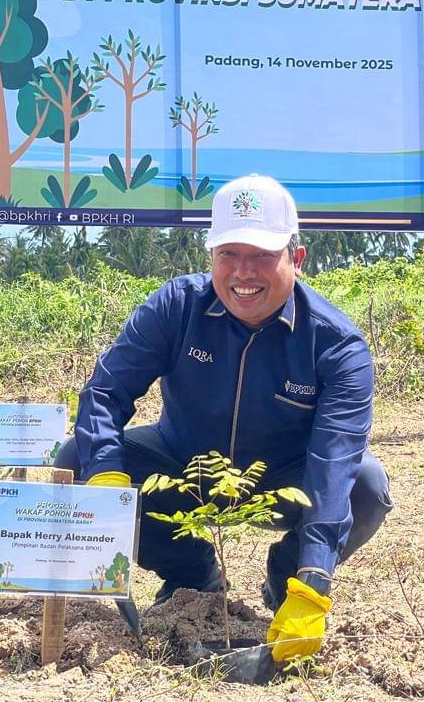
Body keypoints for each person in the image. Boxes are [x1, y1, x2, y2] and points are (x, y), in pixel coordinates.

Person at [54, 174, 392, 662]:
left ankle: (284, 581)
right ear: (210, 257)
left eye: (261, 255)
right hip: (180, 468)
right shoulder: (177, 307)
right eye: (228, 254)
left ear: (296, 258)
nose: (243, 272)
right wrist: (106, 476)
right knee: (76, 455)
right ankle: (194, 577)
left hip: (282, 480)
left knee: (365, 484)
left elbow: (333, 465)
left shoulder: (337, 345)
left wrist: (312, 582)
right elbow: (106, 391)